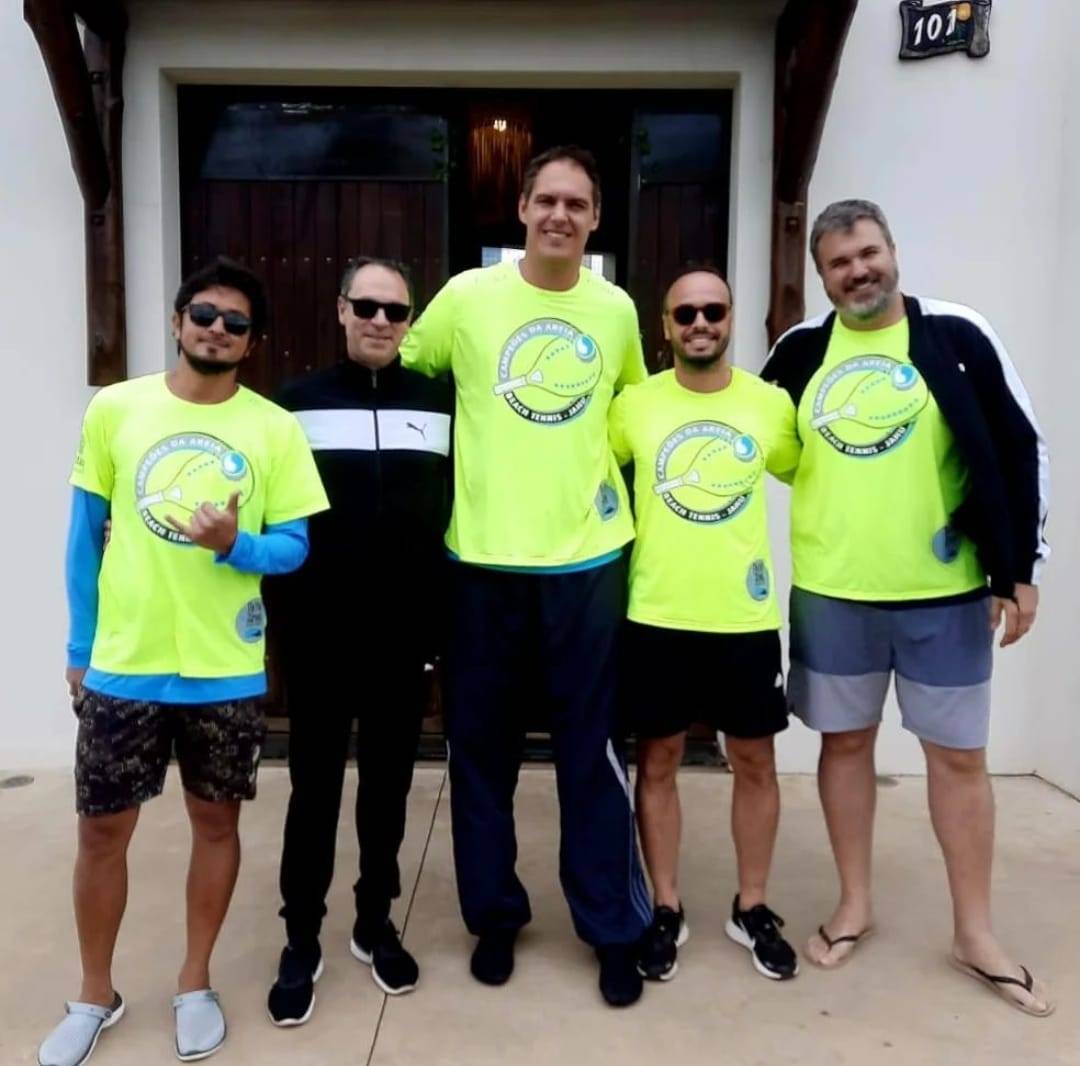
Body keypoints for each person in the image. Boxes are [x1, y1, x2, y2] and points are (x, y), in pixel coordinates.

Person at [762, 200, 1053, 1016]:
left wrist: (1019, 569)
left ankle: (975, 933)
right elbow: (749, 430)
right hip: (833, 591)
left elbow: (1019, 443)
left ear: (892, 250)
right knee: (846, 744)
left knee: (958, 760)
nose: (859, 271)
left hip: (946, 594)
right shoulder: (799, 351)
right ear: (822, 277)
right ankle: (854, 904)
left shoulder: (957, 334)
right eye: (839, 263)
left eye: (868, 253)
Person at [37, 257, 329, 1066]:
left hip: (223, 666)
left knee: (216, 825)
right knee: (102, 833)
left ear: (252, 342)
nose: (217, 330)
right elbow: (82, 538)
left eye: (236, 323)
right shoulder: (117, 409)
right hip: (124, 661)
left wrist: (236, 544)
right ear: (177, 321)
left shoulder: (274, 428)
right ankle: (95, 992)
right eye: (204, 314)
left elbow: (296, 549)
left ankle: (194, 982)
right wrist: (80, 648)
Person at [400, 145, 652, 1007]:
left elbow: (633, 413)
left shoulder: (615, 309)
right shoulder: (468, 298)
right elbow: (407, 373)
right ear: (521, 209)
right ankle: (496, 918)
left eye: (576, 204)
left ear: (595, 219)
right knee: (481, 756)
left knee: (593, 756)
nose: (560, 215)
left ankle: (611, 928)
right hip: (480, 565)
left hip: (589, 563)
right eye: (547, 200)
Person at [266, 256, 451, 1026]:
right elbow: (268, 512)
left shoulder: (439, 405)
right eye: (366, 306)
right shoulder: (294, 405)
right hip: (317, 635)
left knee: (388, 787)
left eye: (395, 311)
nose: (380, 321)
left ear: (409, 322)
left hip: (402, 637)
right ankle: (301, 936)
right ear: (341, 310)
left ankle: (374, 920)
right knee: (313, 788)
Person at [611, 267, 801, 984]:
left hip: (743, 620)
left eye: (712, 311)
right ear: (665, 326)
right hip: (655, 614)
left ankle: (752, 907)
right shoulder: (633, 406)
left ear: (730, 318)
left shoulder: (770, 406)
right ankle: (666, 907)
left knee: (754, 762)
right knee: (658, 761)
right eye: (685, 313)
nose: (699, 324)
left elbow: (817, 478)